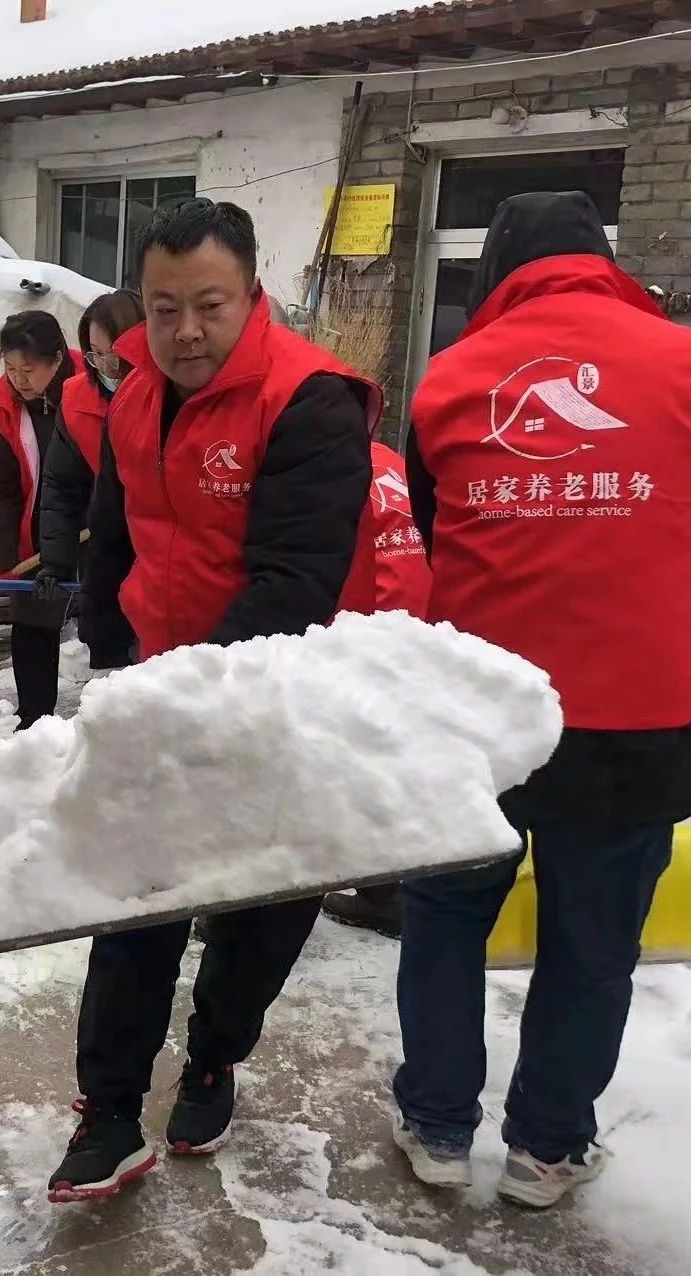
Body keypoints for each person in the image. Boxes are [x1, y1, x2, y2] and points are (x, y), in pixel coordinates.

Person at [48, 198, 380, 1203]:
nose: (186, 329)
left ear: (251, 295)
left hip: (281, 695)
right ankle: (108, 1111)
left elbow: (293, 581)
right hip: (162, 683)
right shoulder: (137, 392)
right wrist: (109, 661)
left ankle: (214, 1055)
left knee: (260, 905)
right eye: (164, 306)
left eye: (209, 305)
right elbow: (117, 531)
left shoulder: (311, 402)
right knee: (135, 898)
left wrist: (187, 688)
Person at [393, 191, 691, 1209]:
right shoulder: (682, 361)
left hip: (482, 707)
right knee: (593, 942)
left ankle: (436, 1124)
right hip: (635, 715)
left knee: (443, 916)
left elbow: (434, 534)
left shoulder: (449, 379)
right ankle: (548, 1149)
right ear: (601, 260)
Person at [322, 440, 432, 938]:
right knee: (393, 759)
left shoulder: (318, 458)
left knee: (343, 760)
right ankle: (387, 891)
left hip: (375, 620)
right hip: (425, 620)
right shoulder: (384, 455)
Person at [0, 310, 81, 729]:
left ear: (57, 361)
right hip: (35, 529)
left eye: (28, 369)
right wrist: (4, 557)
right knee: (32, 618)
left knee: (111, 619)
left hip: (90, 524)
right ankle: (34, 720)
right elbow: (2, 488)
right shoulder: (3, 404)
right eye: (10, 368)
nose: (18, 379)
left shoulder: (91, 393)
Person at [34, 289, 146, 618]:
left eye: (116, 357)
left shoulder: (173, 395)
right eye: (96, 355)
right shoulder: (77, 402)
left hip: (162, 552)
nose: (107, 369)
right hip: (108, 546)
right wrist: (56, 562)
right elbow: (62, 487)